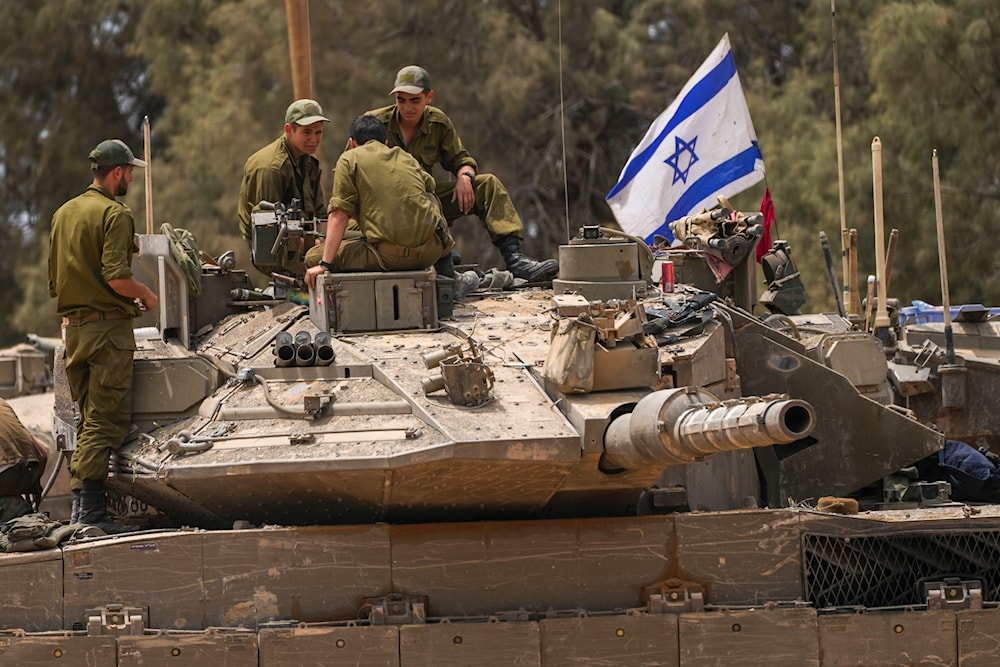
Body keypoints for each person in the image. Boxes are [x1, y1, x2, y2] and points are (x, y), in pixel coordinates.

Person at [47, 138, 158, 534]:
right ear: (116, 173)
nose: (130, 178)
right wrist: (145, 294)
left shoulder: (63, 213)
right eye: (129, 171)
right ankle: (91, 513)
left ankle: (81, 510)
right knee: (104, 421)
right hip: (108, 331)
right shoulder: (115, 214)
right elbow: (116, 276)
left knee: (87, 419)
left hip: (73, 331)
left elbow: (54, 280)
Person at [364, 65, 559, 282]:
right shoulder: (375, 124)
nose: (407, 107)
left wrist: (465, 176)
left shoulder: (438, 123)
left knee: (487, 185)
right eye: (401, 100)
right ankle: (441, 252)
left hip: (428, 203)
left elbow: (461, 160)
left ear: (429, 97)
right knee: (424, 197)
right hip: (387, 211)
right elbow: (351, 170)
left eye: (415, 100)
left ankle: (515, 259)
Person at [304, 114, 478, 298]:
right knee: (429, 196)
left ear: (352, 142)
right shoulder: (405, 156)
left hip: (389, 257)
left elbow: (339, 214)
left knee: (312, 256)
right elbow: (430, 185)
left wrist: (325, 265)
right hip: (431, 251)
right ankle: (449, 275)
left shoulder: (349, 159)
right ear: (385, 142)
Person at [238, 98, 330, 247]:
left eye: (318, 132)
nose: (314, 139)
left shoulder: (309, 162)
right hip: (273, 248)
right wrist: (315, 246)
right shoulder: (272, 169)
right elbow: (267, 231)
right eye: (306, 132)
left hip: (306, 239)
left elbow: (320, 215)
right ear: (288, 130)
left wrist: (327, 241)